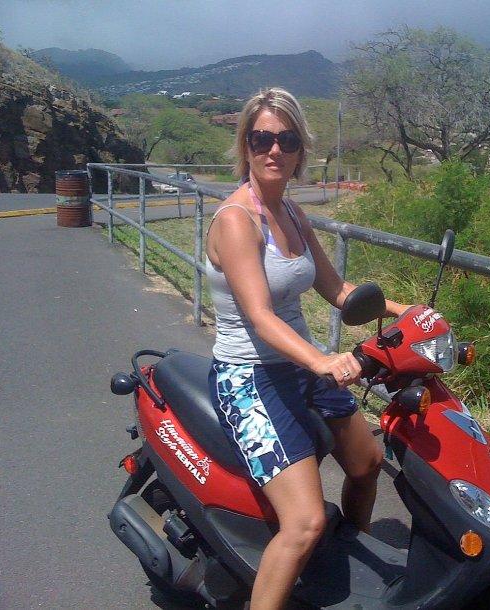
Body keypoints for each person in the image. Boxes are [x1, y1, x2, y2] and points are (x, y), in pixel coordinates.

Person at [205, 87, 408, 610]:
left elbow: (337, 291)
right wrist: (322, 360)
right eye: (262, 139)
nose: (275, 149)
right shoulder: (236, 220)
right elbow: (260, 315)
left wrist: (402, 311)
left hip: (301, 365)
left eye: (287, 140)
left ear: (300, 150)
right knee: (303, 523)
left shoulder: (292, 212)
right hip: (249, 376)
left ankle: (348, 561)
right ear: (246, 145)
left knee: (366, 463)